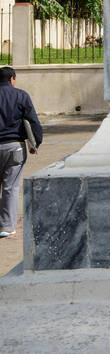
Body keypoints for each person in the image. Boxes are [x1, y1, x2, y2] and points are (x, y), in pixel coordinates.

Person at [0, 66, 43, 240]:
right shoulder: (21, 95)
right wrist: (36, 143)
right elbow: (33, 121)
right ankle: (6, 227)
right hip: (14, 146)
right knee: (10, 187)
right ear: (12, 79)